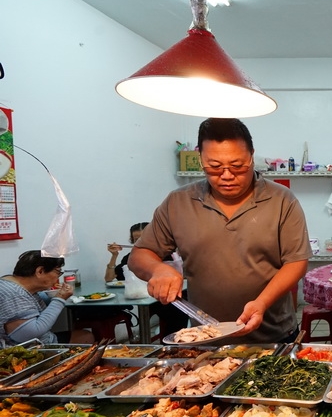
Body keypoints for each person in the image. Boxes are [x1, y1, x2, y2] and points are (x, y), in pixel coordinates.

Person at [128, 118, 311, 343]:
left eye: (237, 166)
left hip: (273, 336)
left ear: (252, 156)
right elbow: (139, 255)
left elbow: (296, 262)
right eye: (214, 167)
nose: (226, 176)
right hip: (206, 338)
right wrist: (157, 270)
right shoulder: (179, 202)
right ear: (200, 160)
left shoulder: (281, 200)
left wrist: (261, 302)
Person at [106, 222, 188, 337]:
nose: (140, 242)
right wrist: (114, 256)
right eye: (136, 239)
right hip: (142, 298)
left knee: (178, 312)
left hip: (164, 297)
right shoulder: (130, 258)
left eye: (142, 238)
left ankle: (172, 343)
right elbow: (109, 279)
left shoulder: (169, 256)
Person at [0, 250, 94, 345]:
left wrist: (55, 296)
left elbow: (32, 305)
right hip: (32, 350)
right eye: (58, 272)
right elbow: (30, 333)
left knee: (86, 335)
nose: (57, 278)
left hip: (42, 339)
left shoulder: (12, 282)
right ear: (40, 271)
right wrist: (60, 298)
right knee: (86, 337)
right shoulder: (14, 293)